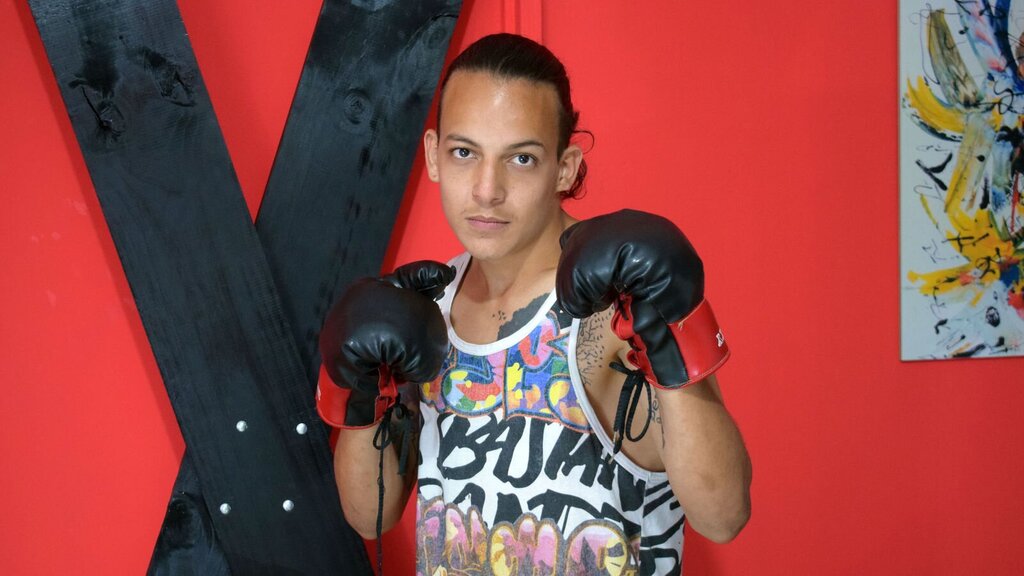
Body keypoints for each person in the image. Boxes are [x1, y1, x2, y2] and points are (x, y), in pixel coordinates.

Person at [317, 33, 751, 575]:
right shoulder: (425, 311)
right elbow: (369, 517)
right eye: (464, 152)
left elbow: (724, 515)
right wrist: (361, 394)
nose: (487, 189)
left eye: (521, 158)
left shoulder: (613, 306)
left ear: (564, 168)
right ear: (432, 155)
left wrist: (667, 330)